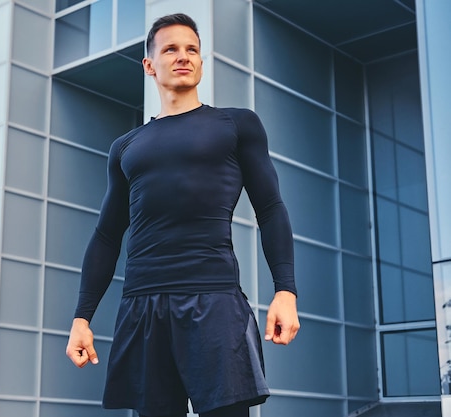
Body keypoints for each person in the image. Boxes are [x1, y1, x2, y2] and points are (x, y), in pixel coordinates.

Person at [66, 13, 300, 417]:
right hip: (142, 305)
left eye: (192, 49)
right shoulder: (125, 147)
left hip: (213, 299)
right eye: (170, 49)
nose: (183, 56)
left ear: (201, 62)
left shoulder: (236, 124)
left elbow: (272, 208)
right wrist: (81, 317)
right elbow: (107, 235)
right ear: (149, 65)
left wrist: (286, 290)